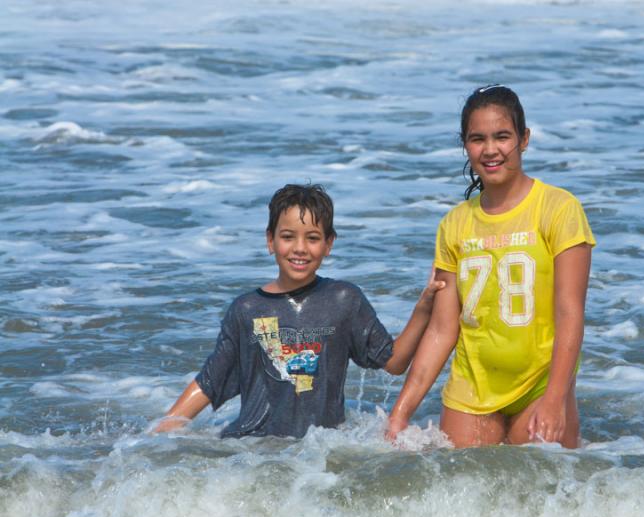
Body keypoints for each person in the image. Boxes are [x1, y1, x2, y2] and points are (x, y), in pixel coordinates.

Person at [387, 85, 595, 448]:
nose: (490, 149)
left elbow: (570, 313)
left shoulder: (559, 209)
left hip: (540, 385)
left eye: (502, 136)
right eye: (477, 139)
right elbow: (441, 330)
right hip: (472, 390)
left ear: (524, 139)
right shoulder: (454, 224)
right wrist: (400, 413)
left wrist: (555, 400)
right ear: (465, 145)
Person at [154, 184, 443, 438]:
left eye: (313, 238)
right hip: (253, 447)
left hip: (318, 454)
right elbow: (210, 382)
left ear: (329, 244)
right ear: (271, 241)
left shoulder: (343, 300)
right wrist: (160, 431)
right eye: (288, 236)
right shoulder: (247, 310)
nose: (300, 248)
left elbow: (393, 363)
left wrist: (423, 309)